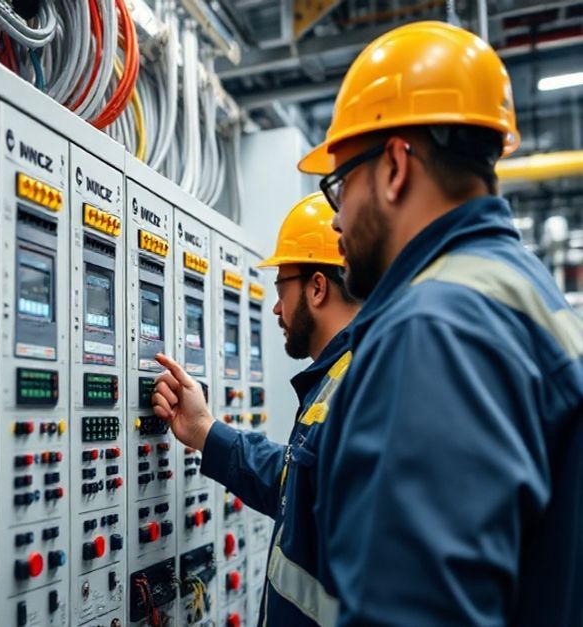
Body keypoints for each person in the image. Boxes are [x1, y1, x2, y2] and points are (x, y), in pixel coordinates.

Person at [292, 20, 582, 626]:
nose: (338, 221)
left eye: (340, 184)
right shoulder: (523, 292)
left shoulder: (433, 331)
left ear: (396, 164)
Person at [152, 192, 360, 627]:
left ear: (317, 288)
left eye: (283, 289)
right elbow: (297, 483)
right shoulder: (339, 380)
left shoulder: (356, 389)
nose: (277, 308)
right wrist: (204, 431)